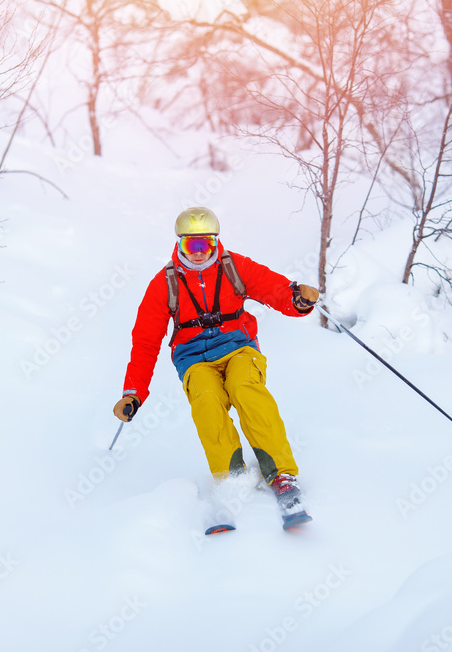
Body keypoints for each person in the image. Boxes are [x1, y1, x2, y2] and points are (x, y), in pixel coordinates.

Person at [113, 206, 319, 522]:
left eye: (204, 245)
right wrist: (133, 392)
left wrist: (297, 300)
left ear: (215, 242)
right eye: (190, 246)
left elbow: (273, 288)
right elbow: (145, 342)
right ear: (179, 244)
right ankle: (231, 477)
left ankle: (280, 474)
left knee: (246, 389)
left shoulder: (235, 267)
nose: (198, 254)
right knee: (207, 402)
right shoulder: (165, 283)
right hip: (194, 359)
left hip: (239, 348)